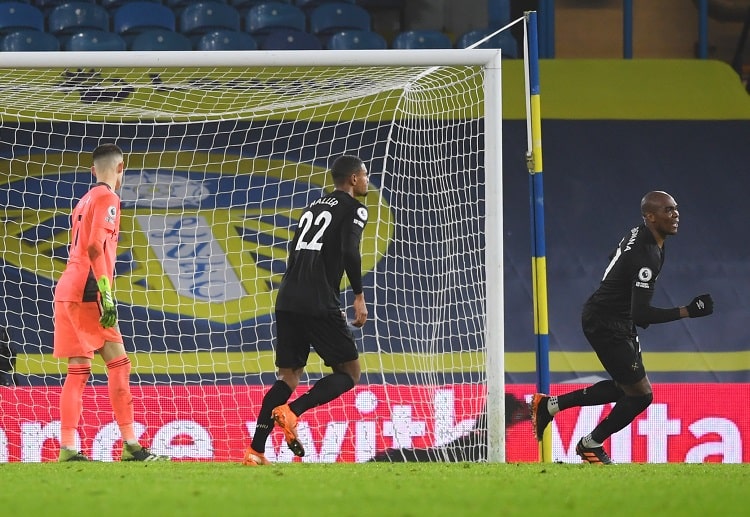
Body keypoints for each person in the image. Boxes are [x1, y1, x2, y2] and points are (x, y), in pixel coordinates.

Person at [530, 191, 714, 464]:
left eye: (675, 209)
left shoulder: (643, 236)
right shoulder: (647, 254)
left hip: (615, 319)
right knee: (641, 396)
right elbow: (641, 314)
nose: (675, 215)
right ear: (650, 217)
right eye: (667, 210)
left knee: (623, 388)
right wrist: (687, 311)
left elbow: (614, 258)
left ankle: (549, 406)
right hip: (606, 323)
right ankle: (590, 444)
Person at [243, 155, 370, 466]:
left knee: (287, 376)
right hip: (318, 299)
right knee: (350, 373)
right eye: (365, 175)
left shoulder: (311, 208)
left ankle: (255, 451)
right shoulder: (355, 208)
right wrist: (358, 294)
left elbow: (294, 249)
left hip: (287, 297)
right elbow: (349, 250)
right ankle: (292, 412)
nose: (368, 180)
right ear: (353, 179)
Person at [53, 143, 169, 462]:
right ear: (121, 168)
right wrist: (106, 291)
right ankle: (131, 445)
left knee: (78, 369)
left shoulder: (83, 200)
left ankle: (67, 448)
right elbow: (93, 247)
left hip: (67, 287)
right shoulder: (108, 197)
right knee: (120, 363)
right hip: (89, 288)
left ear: (93, 170)